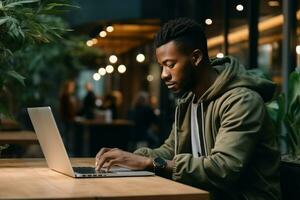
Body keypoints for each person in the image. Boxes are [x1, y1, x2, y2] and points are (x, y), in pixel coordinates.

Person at [95, 18, 281, 199]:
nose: (164, 75)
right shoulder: (189, 101)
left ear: (196, 58)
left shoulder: (242, 101)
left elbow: (223, 169)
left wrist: (148, 163)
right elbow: (171, 150)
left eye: (170, 65)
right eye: (161, 66)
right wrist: (127, 158)